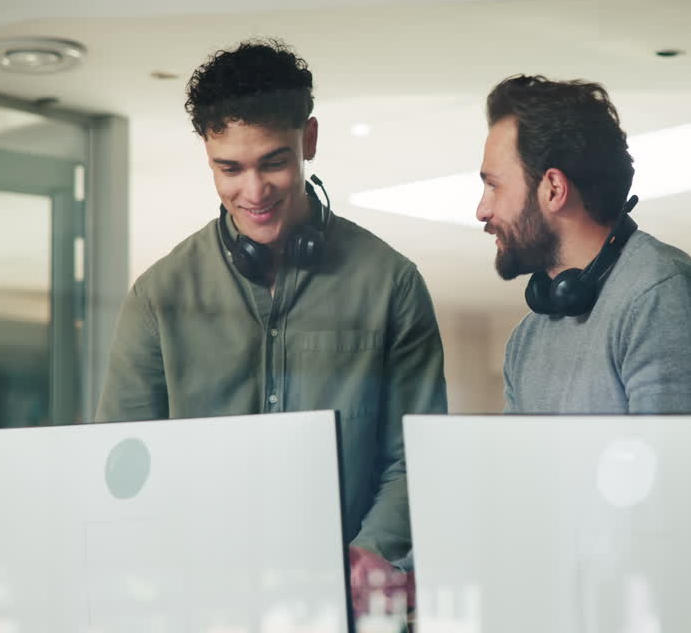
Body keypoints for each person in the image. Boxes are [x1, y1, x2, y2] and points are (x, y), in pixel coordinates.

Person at [96, 38, 447, 612]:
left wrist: (369, 555)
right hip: (202, 609)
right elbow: (124, 467)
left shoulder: (392, 285)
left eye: (274, 163)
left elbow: (416, 457)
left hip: (347, 610)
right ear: (206, 152)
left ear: (308, 139)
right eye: (228, 168)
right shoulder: (158, 298)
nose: (253, 193)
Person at [475, 75, 691, 414]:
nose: (482, 210)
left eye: (494, 186)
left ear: (554, 189)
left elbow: (675, 464)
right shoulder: (526, 340)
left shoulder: (662, 297)